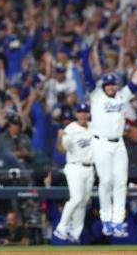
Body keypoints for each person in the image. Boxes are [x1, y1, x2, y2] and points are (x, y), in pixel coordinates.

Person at [89, 69, 137, 238]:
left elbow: (135, 82)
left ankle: (118, 222)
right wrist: (85, 61)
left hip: (119, 143)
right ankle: (106, 219)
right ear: (104, 86)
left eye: (113, 84)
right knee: (106, 181)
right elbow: (89, 78)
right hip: (101, 143)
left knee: (121, 181)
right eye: (108, 85)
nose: (111, 87)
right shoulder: (97, 96)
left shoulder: (122, 96)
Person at [53, 103, 94, 243]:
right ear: (76, 115)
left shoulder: (93, 127)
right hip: (74, 167)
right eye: (80, 112)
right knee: (76, 198)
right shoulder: (70, 129)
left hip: (90, 168)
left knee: (83, 202)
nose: (82, 114)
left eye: (85, 112)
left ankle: (75, 234)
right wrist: (60, 137)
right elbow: (61, 149)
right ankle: (61, 227)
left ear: (88, 114)